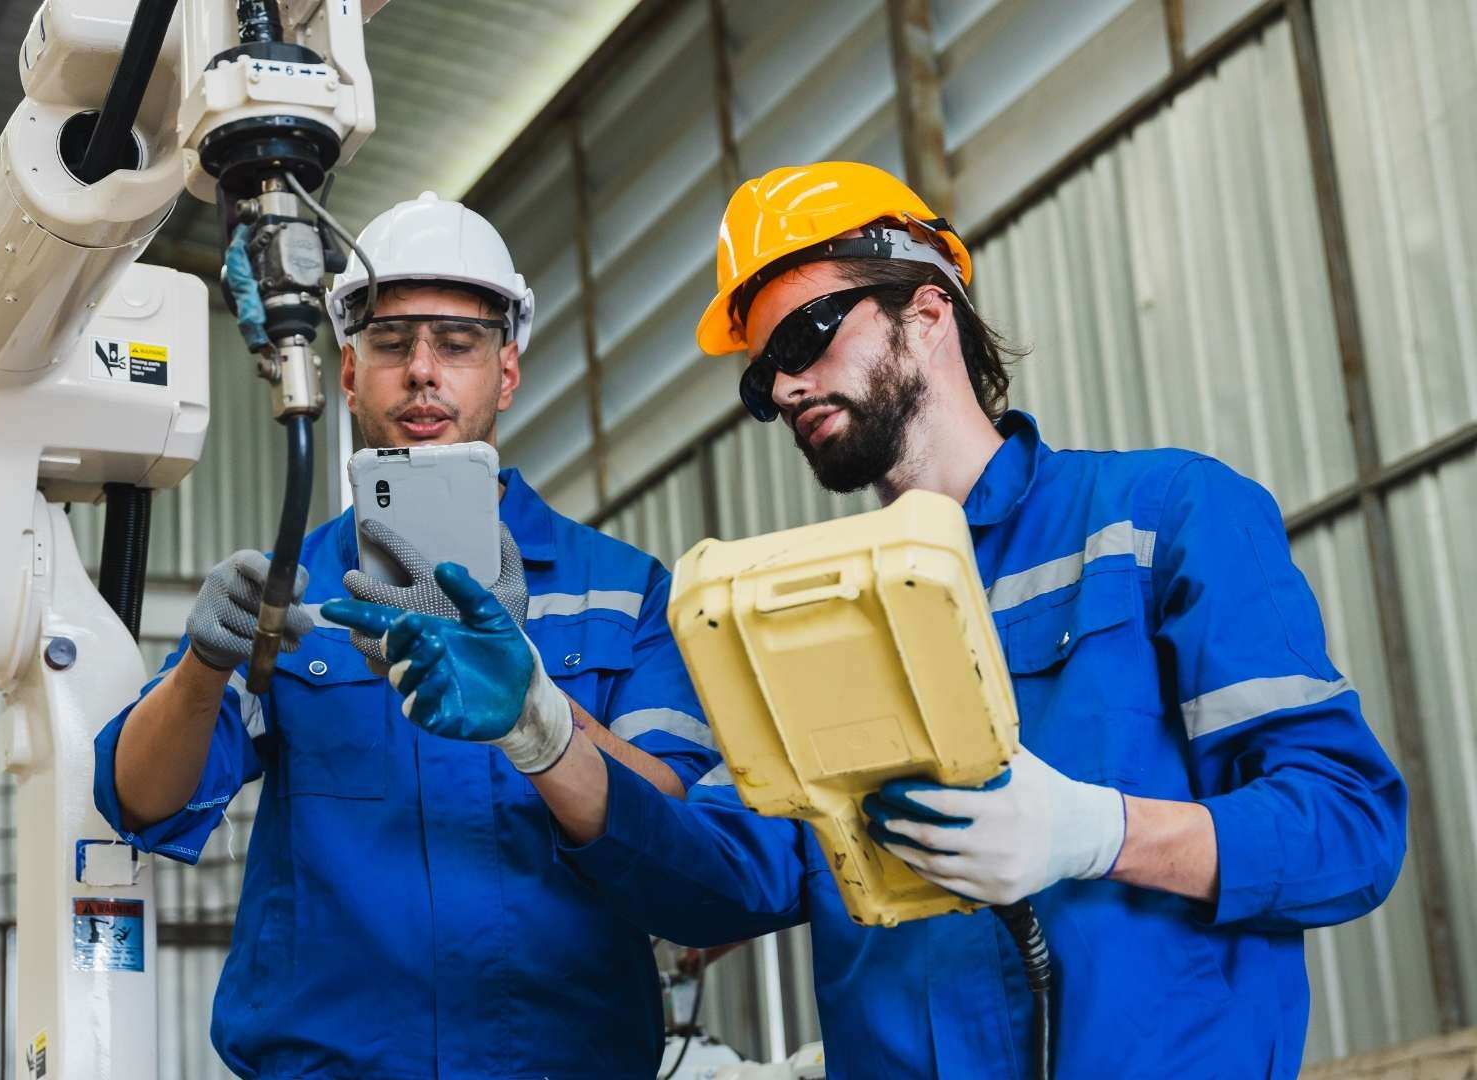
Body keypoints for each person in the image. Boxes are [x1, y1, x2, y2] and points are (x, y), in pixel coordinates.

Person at [326, 163, 1409, 1078]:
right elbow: (723, 876)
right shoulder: (801, 612)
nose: (787, 387)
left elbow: (1350, 828)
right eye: (763, 376)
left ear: (927, 308)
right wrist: (542, 728)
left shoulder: (1157, 520)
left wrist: (1101, 834)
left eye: (806, 333)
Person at [92, 191, 719, 1079]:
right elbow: (144, 801)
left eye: (457, 345)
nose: (423, 371)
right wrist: (202, 666)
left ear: (506, 372)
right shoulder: (296, 589)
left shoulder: (620, 591)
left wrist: (532, 701)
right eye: (390, 344)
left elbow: (676, 823)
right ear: (347, 373)